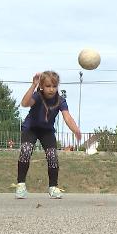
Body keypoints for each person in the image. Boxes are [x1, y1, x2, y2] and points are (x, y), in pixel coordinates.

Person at [15, 71, 81, 199]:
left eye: (54, 86)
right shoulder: (37, 96)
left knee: (52, 155)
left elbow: (67, 117)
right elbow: (24, 103)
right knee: (26, 150)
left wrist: (76, 130)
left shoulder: (60, 101)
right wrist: (33, 85)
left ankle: (53, 187)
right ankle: (21, 185)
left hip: (47, 131)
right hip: (31, 128)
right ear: (42, 86)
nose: (51, 89)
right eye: (48, 86)